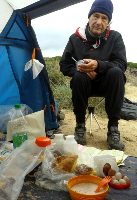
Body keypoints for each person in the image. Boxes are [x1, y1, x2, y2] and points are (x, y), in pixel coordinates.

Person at [59, 0, 127, 150]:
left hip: (106, 85)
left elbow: (121, 64)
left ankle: (113, 129)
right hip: (83, 85)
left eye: (104, 18)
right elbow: (64, 65)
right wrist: (80, 69)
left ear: (108, 22)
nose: (99, 22)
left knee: (116, 73)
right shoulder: (75, 38)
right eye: (95, 16)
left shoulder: (115, 37)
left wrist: (98, 65)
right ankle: (80, 125)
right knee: (79, 76)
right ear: (89, 17)